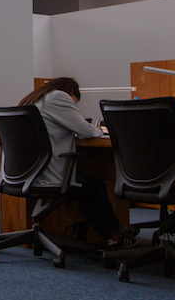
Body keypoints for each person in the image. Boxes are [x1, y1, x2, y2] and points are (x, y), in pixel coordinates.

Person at [19, 77, 136, 248]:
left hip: (26, 173)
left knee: (85, 185)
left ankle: (113, 233)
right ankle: (115, 232)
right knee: (93, 187)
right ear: (70, 92)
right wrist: (99, 129)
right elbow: (84, 130)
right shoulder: (58, 97)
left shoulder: (32, 99)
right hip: (50, 172)